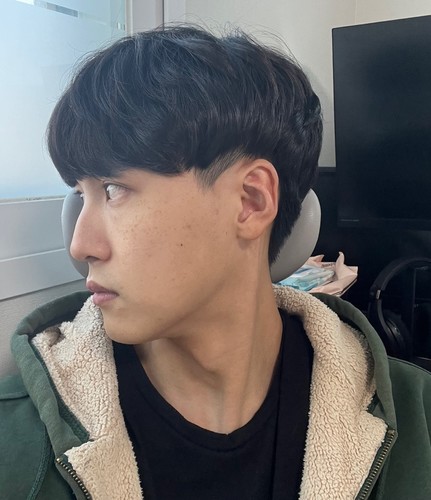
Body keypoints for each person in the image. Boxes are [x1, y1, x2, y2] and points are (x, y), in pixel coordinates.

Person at [0, 25, 430, 500]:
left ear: (250, 201)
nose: (80, 246)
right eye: (81, 195)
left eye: (114, 189)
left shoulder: (418, 424)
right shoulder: (15, 445)